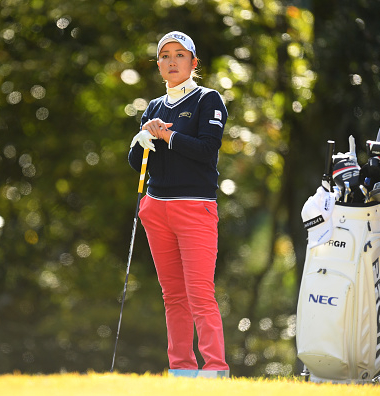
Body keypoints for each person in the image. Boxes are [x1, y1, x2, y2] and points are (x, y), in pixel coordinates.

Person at [128, 31, 229, 376]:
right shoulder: (154, 107)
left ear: (193, 63)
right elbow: (136, 163)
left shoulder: (208, 99)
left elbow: (206, 150)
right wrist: (142, 138)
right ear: (158, 64)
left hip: (195, 206)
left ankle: (215, 369)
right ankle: (181, 371)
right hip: (156, 208)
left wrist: (167, 135)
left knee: (200, 294)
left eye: (180, 55)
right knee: (173, 296)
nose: (172, 61)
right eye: (165, 56)